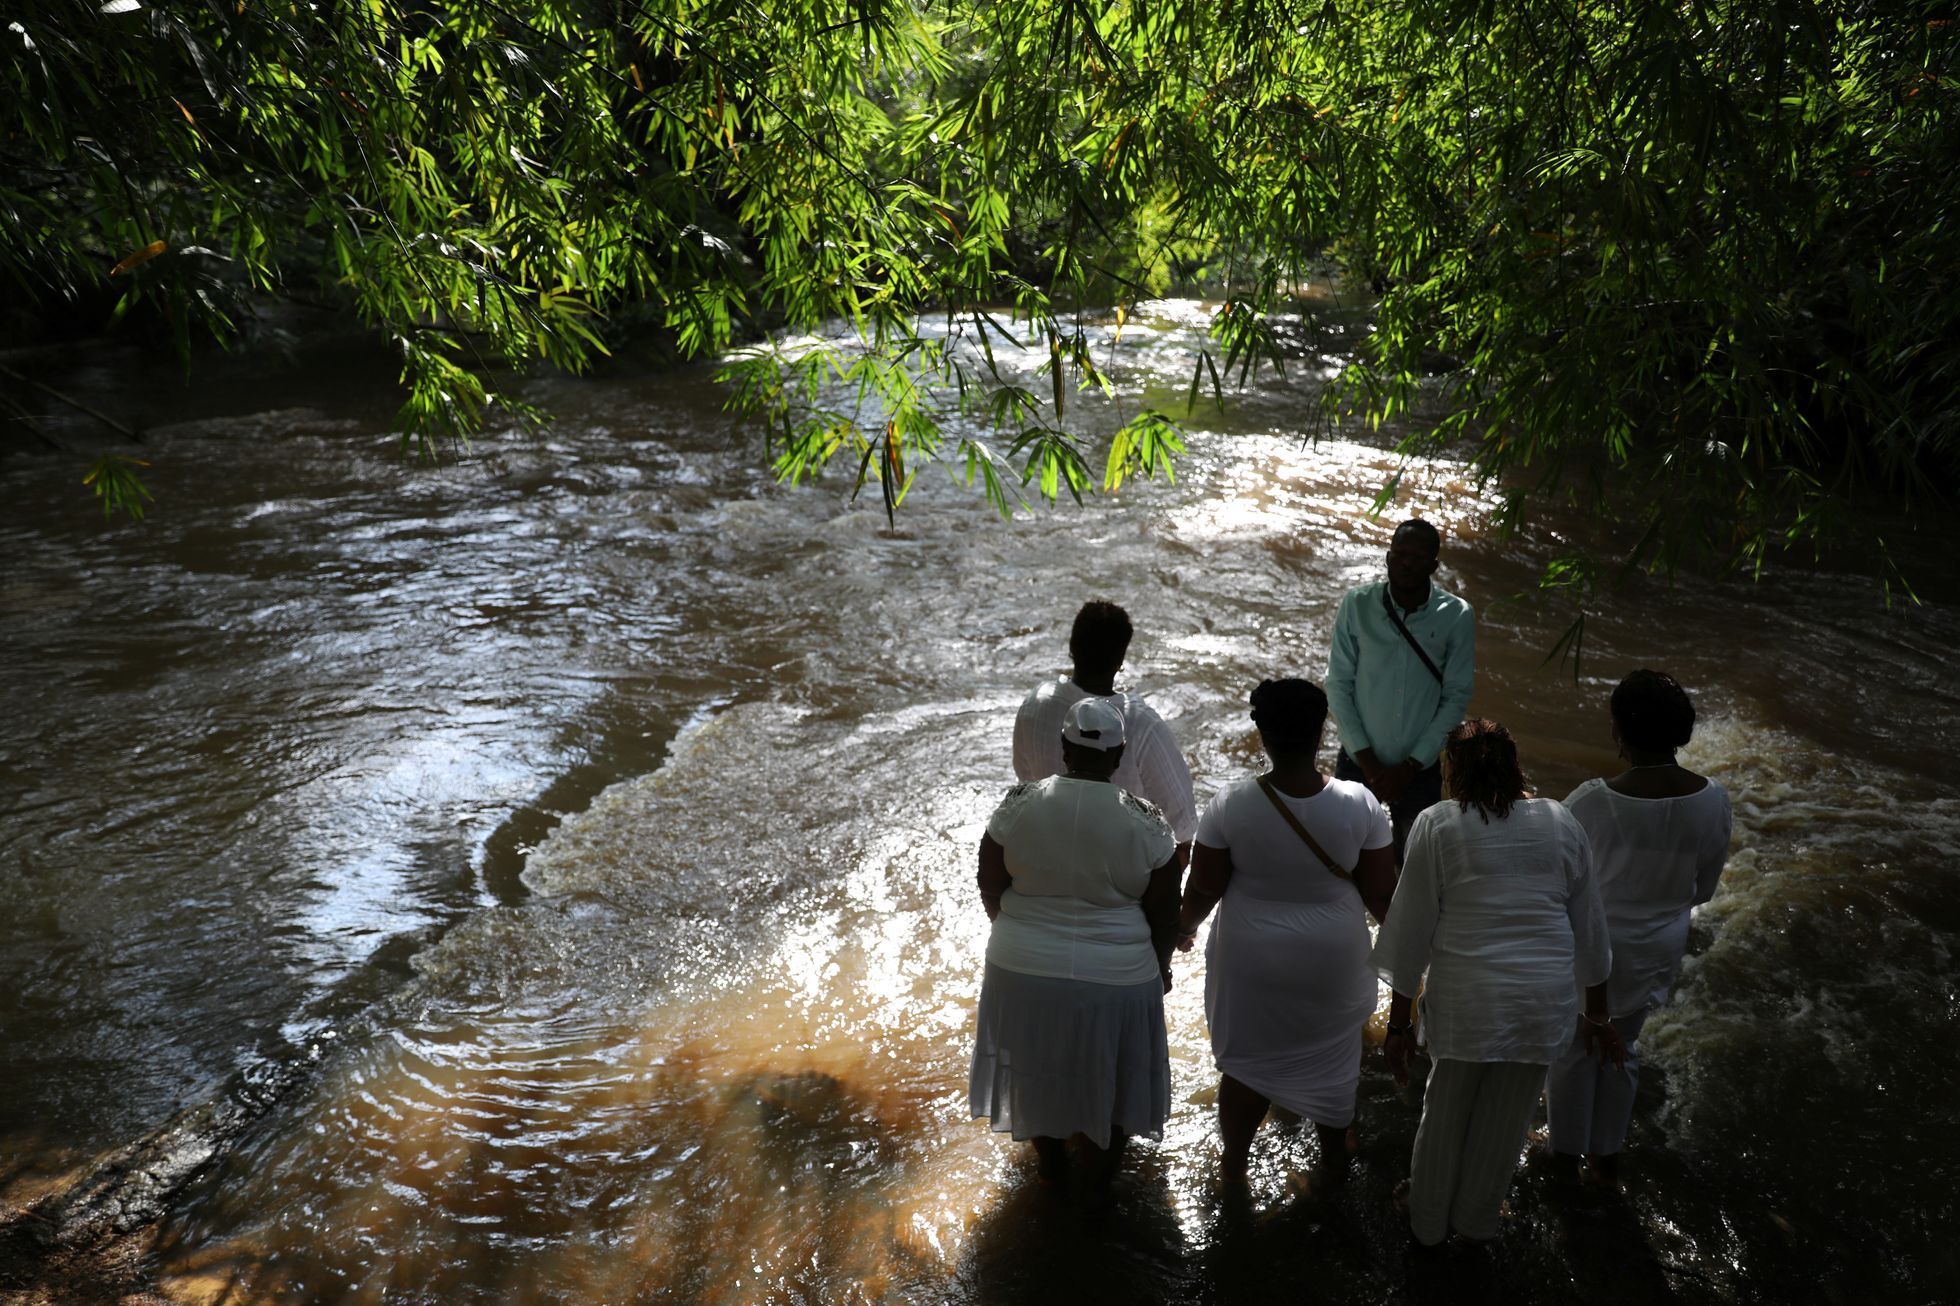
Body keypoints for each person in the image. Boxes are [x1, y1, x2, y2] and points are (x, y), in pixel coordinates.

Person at [1373, 719, 1619, 1248]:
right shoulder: (1560, 820)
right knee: (1506, 1122)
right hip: (1541, 1002)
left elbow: (1411, 933)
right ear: (1515, 766)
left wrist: (1398, 1023)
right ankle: (1477, 1223)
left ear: (1450, 772)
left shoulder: (1438, 824)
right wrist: (1597, 1016)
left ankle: (1428, 1225)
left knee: (1444, 1114)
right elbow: (1591, 931)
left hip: (1467, 1002)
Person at [1176, 678, 1398, 1187]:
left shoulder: (1231, 804)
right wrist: (1423, 954)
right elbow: (1382, 896)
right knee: (1335, 1061)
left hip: (1252, 962)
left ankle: (1234, 1168)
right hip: (1333, 963)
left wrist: (1179, 932)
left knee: (1247, 1066)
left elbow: (1202, 891)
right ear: (1322, 732)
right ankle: (1334, 1165)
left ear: (1263, 735)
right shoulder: (1359, 803)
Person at [971, 697, 1183, 1189]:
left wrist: (1018, 935)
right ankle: (1098, 1193)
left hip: (1020, 970)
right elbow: (1164, 914)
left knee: (1033, 1073)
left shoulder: (1018, 804)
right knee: (1111, 1084)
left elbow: (989, 883)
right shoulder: (1147, 820)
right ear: (1118, 754)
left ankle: (1052, 1169)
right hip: (1117, 978)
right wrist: (1163, 969)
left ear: (1064, 748)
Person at [1545, 670, 1733, 1187]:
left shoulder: (1590, 801)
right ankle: (1606, 1159)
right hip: (1659, 943)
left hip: (1593, 948)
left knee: (1573, 1053)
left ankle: (1564, 1158)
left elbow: (1558, 883)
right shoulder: (1714, 800)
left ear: (1619, 731)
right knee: (1622, 1047)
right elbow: (1705, 888)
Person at [1326, 519, 1475, 863]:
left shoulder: (1456, 616)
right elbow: (1338, 684)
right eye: (1401, 554)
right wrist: (1368, 763)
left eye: (1419, 557)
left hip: (1419, 769)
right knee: (1340, 859)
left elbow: (1456, 697)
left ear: (1434, 566)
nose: (1408, 563)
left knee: (1416, 865)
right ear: (1388, 558)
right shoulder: (1357, 605)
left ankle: (1397, 919)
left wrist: (1410, 766)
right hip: (1358, 761)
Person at [1014, 599, 1198, 867]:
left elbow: (1026, 784)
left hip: (1046, 862)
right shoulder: (1141, 724)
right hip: (1119, 877)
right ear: (1120, 660)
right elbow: (1182, 829)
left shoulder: (1035, 704)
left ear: (1071, 648)